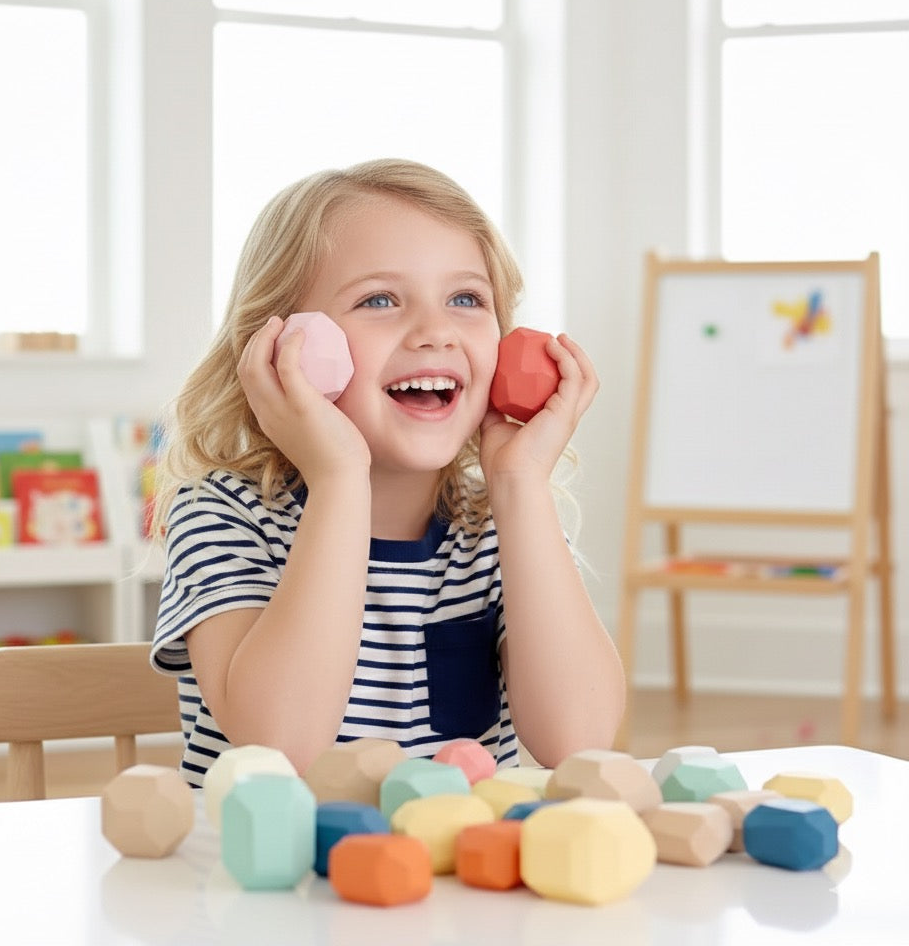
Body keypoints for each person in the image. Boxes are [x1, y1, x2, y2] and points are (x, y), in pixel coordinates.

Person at [150, 158, 624, 785]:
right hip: (279, 876)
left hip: (450, 876)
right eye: (380, 299)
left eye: (465, 299)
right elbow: (281, 743)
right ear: (285, 347)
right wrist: (340, 479)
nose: (436, 332)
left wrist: (519, 485)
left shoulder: (498, 524)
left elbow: (579, 738)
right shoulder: (222, 514)